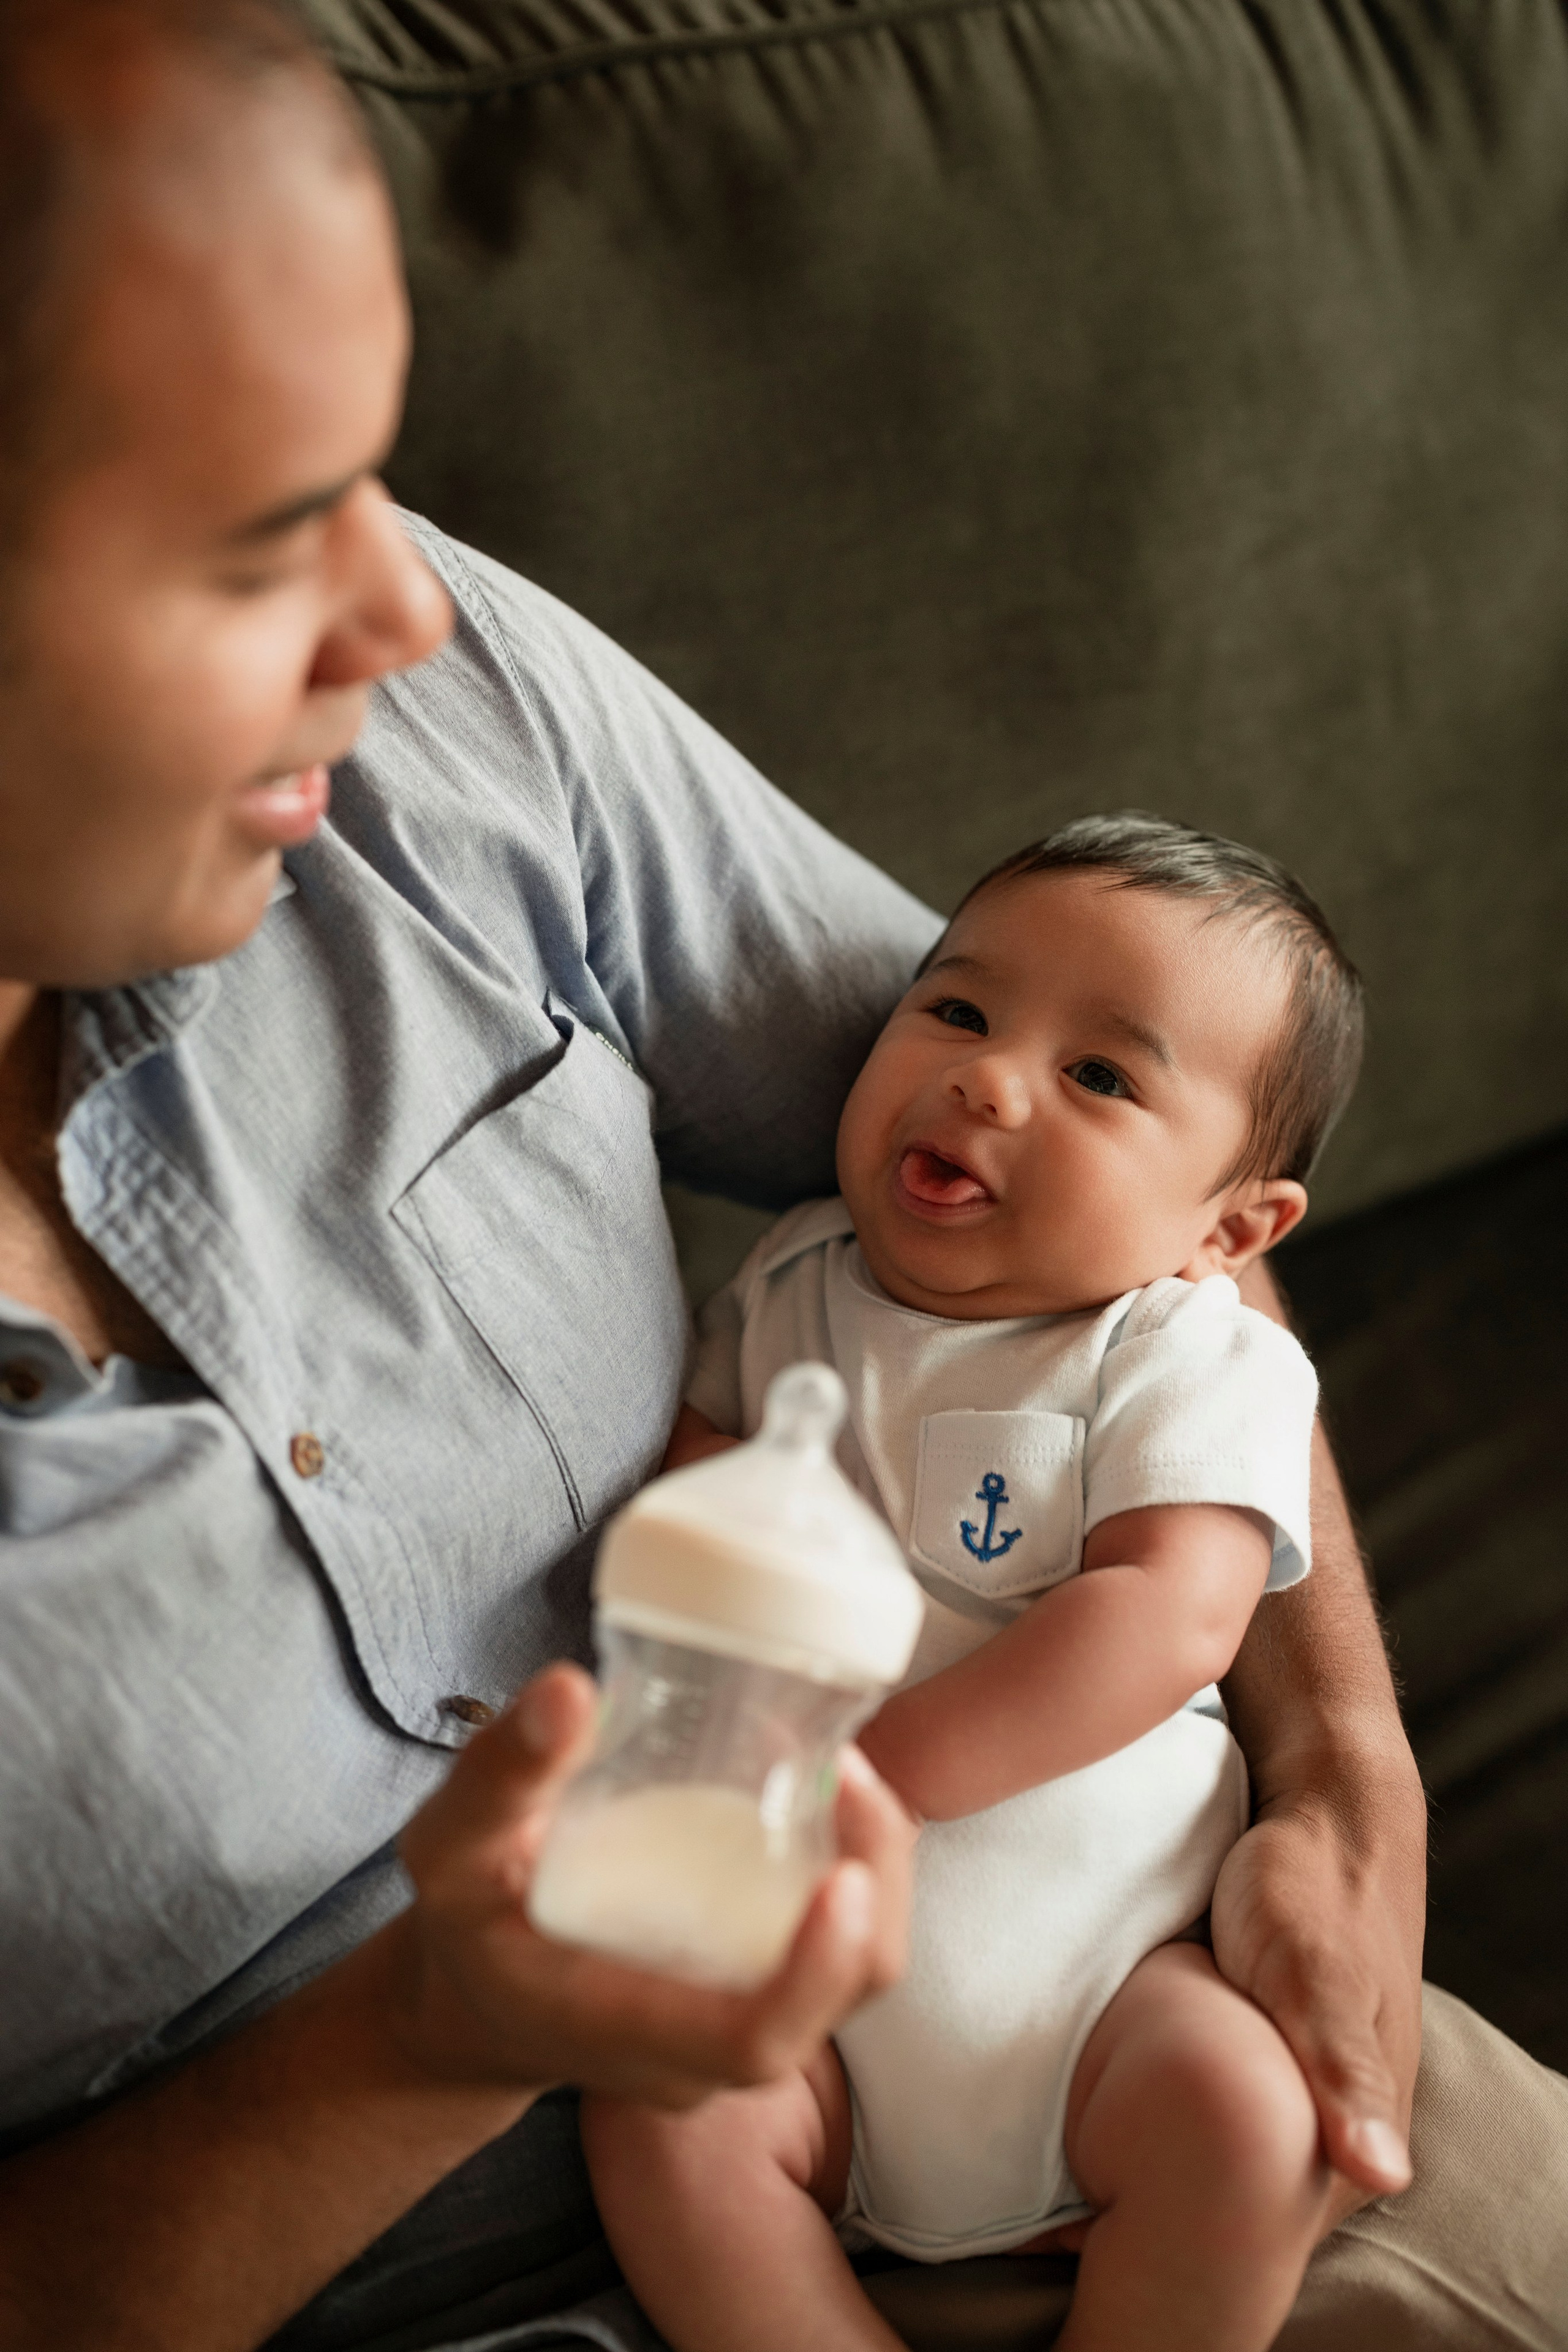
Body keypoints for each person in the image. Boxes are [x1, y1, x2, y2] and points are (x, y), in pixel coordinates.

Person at [0, 2, 1559, 2348]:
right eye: (252, 551)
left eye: (369, 482)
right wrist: (464, 2022)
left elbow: (1108, 1190)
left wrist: (1347, 1768)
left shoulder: (428, 723)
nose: (406, 610)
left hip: (1129, 2006)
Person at [582, 816, 1352, 2351]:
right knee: (661, 2111)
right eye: (955, 1009)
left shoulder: (1184, 1352)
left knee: (1250, 2123)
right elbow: (695, 1477)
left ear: (1229, 1228)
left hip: (1103, 1993)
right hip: (795, 2006)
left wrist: (873, 1775)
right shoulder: (790, 1278)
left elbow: (1170, 1611)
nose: (985, 1079)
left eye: (1100, 1078)